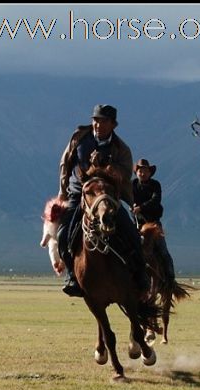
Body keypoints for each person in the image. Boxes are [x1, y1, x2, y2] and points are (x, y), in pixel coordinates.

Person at [57, 104, 150, 301]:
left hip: (108, 197)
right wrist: (62, 190)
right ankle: (73, 277)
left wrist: (105, 165)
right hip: (80, 194)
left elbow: (124, 175)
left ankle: (142, 278)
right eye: (95, 120)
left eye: (103, 121)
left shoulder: (121, 149)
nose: (98, 125)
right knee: (64, 234)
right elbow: (66, 162)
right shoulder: (79, 137)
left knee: (132, 233)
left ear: (113, 124)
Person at [131, 158, 177, 284]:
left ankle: (170, 278)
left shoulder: (155, 185)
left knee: (163, 250)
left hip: (153, 223)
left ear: (150, 173)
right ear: (136, 172)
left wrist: (141, 207)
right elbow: (127, 197)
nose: (142, 173)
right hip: (137, 223)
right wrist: (132, 205)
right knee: (128, 247)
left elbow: (156, 200)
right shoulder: (132, 185)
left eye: (145, 170)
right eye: (140, 171)